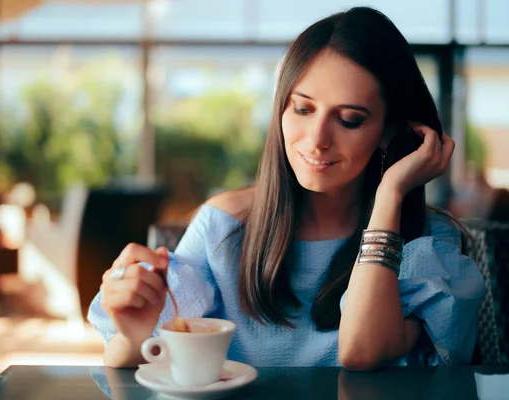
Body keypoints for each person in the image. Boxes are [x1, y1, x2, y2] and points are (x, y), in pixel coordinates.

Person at [88, 6, 485, 370]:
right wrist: (133, 333)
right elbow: (130, 362)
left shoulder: (426, 241)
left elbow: (362, 352)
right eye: (303, 108)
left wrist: (390, 193)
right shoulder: (222, 225)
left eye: (348, 119)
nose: (316, 140)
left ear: (389, 131)